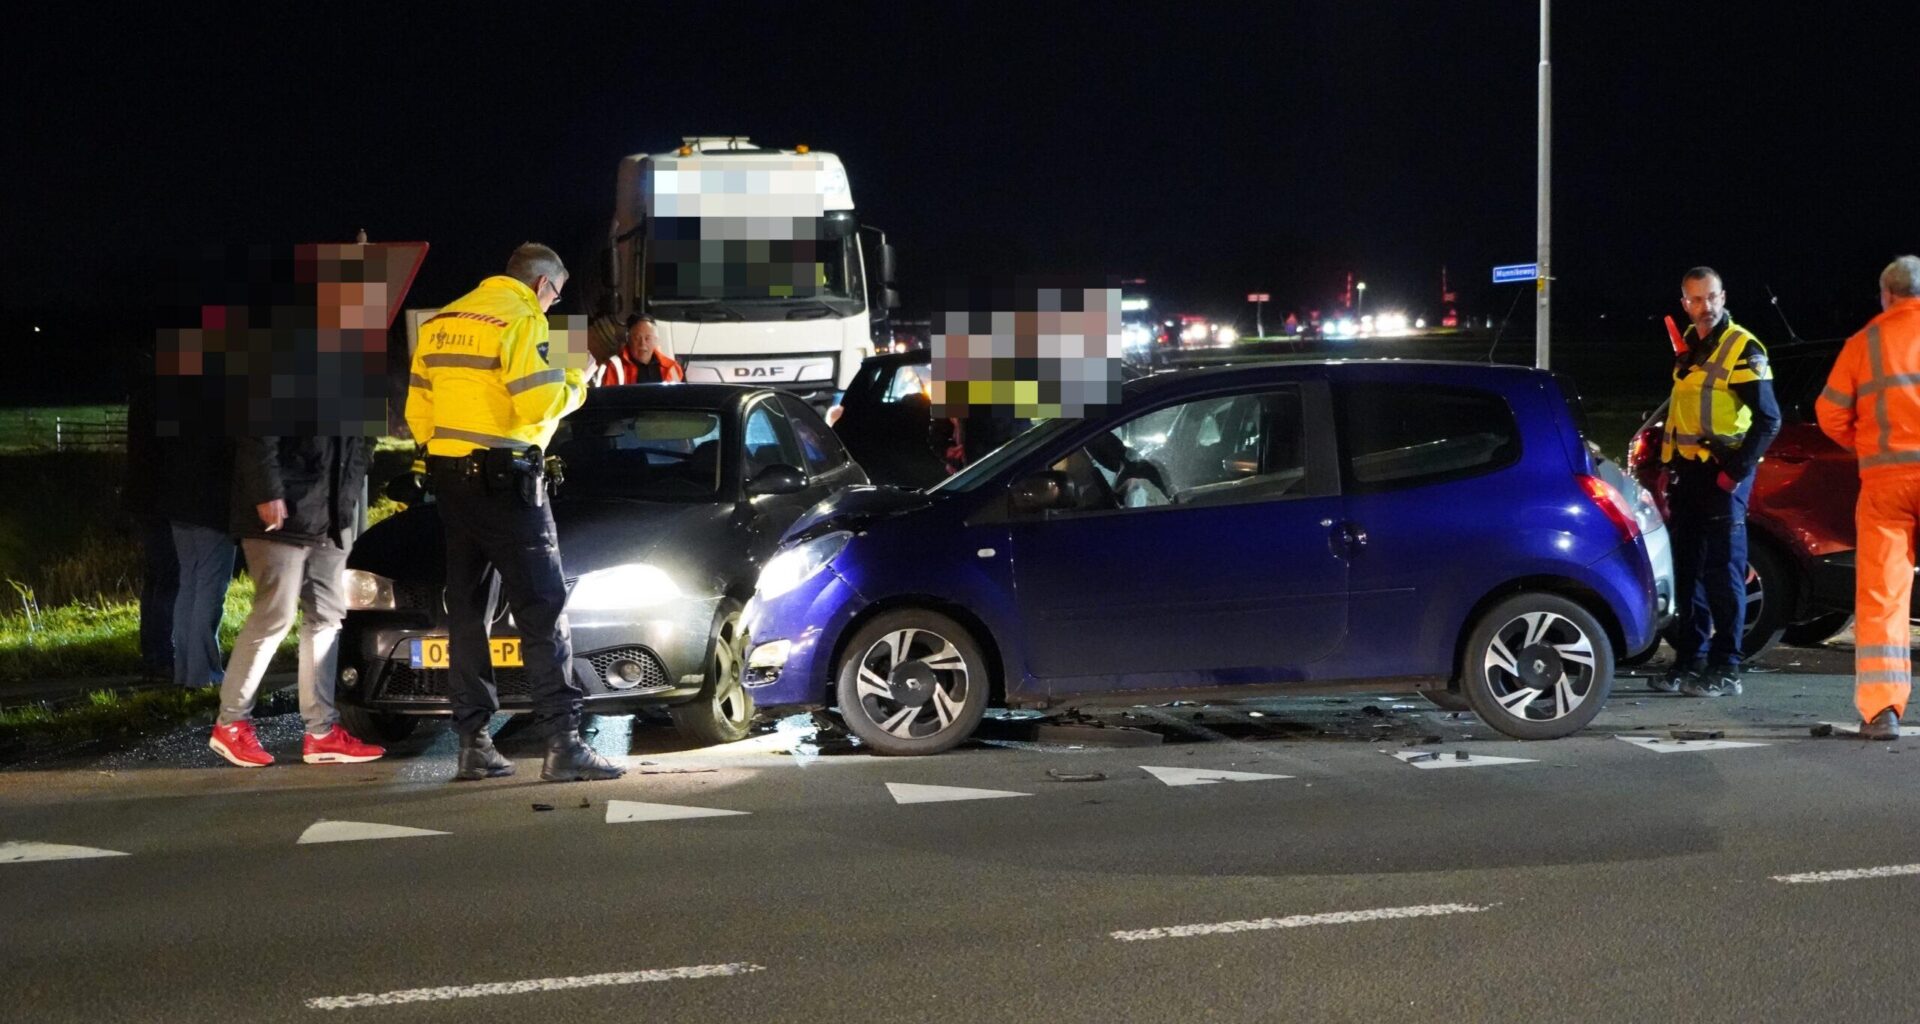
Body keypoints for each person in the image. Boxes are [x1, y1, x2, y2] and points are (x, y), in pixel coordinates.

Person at [406, 243, 624, 782]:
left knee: (467, 616)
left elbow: (418, 413)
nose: (552, 307)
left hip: (452, 487)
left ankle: (473, 744)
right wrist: (577, 379)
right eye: (554, 297)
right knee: (543, 609)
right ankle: (564, 745)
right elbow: (535, 402)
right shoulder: (523, 319)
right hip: (509, 486)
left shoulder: (442, 321)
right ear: (543, 285)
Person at [206, 434, 384, 767]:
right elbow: (257, 434)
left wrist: (345, 499)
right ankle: (230, 723)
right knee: (275, 616)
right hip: (282, 511)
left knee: (328, 618)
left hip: (330, 514)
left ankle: (322, 733)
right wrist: (267, 492)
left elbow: (364, 439)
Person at [1653, 267, 1781, 698]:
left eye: (1710, 298)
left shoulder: (1743, 347)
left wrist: (1734, 474)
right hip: (1687, 476)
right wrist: (1666, 466)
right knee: (1688, 574)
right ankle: (1690, 660)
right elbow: (1682, 412)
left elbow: (1768, 419)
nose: (1703, 307)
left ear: (1723, 297)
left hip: (1722, 476)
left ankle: (1727, 666)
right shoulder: (1688, 347)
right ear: (1684, 302)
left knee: (1725, 575)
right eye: (1694, 300)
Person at [1814, 255, 1920, 741]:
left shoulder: (1864, 344)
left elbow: (1830, 413)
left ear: (1885, 295)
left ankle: (1883, 712)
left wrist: (1871, 444)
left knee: (1882, 598)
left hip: (1886, 486)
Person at [154, 409, 235, 691]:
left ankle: (185, 670)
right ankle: (205, 674)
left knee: (189, 584)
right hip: (211, 508)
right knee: (210, 588)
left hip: (178, 505)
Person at [595, 315, 684, 385]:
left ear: (656, 340)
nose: (643, 344)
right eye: (637, 338)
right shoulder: (614, 367)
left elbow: (680, 400)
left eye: (647, 338)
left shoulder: (672, 367)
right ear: (628, 339)